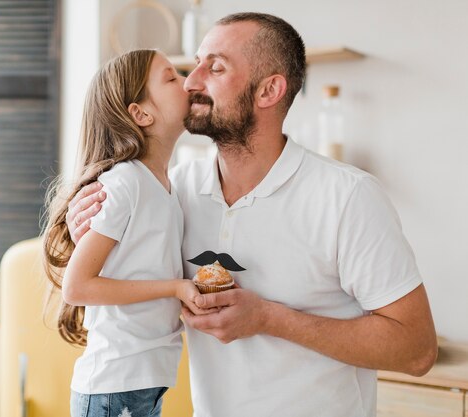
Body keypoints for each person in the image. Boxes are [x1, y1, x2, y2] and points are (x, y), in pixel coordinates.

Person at [65, 12, 438, 417]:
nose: (192, 81)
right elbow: (91, 283)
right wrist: (79, 230)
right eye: (194, 64)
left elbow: (417, 351)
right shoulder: (174, 190)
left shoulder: (348, 197)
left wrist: (268, 318)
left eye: (216, 67)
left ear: (268, 91)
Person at [42, 49, 212, 417]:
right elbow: (77, 286)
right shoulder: (126, 182)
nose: (188, 82)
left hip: (142, 381)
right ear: (141, 113)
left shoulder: (164, 185)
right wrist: (174, 288)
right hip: (115, 385)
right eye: (171, 77)